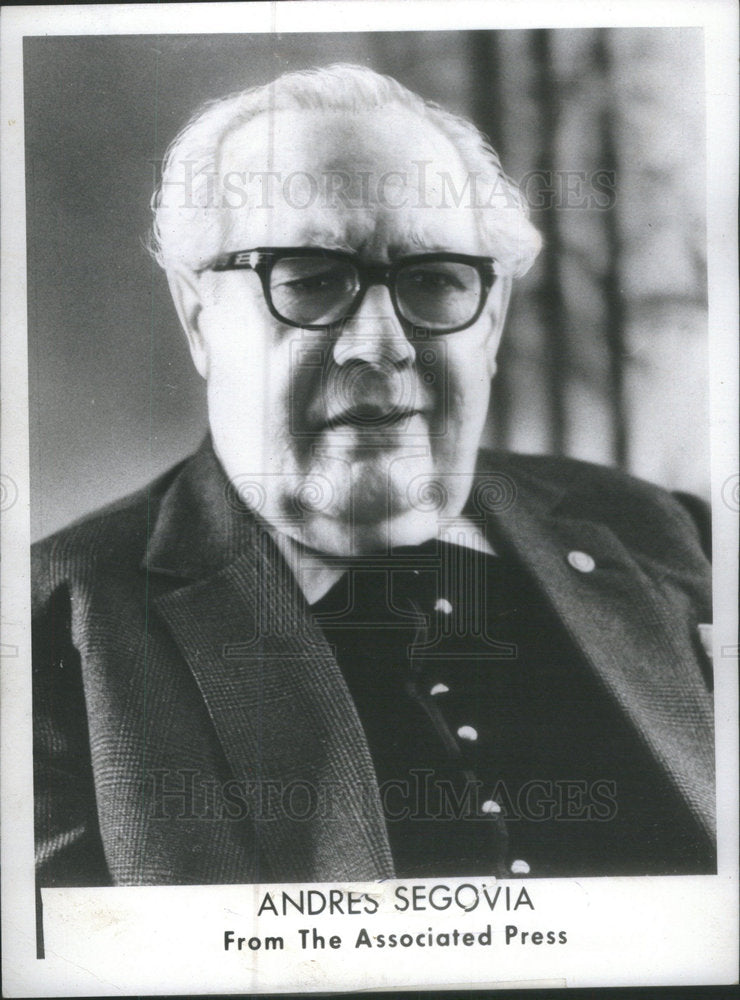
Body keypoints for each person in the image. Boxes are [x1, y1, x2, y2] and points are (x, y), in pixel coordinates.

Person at [32, 64, 715, 887]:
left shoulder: (668, 536)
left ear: (490, 321)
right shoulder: (51, 630)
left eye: (434, 281)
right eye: (312, 282)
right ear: (198, 316)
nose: (383, 346)